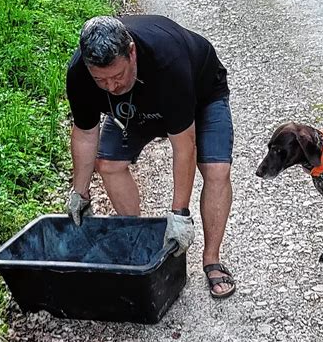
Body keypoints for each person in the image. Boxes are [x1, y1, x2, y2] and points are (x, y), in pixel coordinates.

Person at [66, 15, 235, 298]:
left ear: (131, 52)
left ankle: (212, 259)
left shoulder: (167, 61)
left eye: (117, 76)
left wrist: (179, 214)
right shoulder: (81, 74)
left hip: (202, 94)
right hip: (137, 107)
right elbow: (85, 134)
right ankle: (138, 238)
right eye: (101, 80)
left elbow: (184, 146)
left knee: (216, 169)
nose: (111, 87)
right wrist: (79, 193)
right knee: (108, 163)